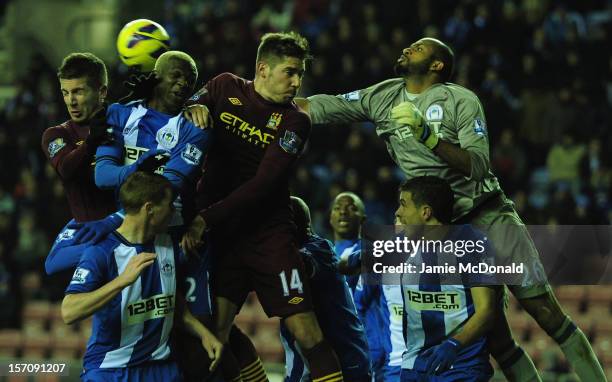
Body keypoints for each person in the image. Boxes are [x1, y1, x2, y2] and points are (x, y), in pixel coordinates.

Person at [295, 37, 606, 381]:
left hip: (487, 214)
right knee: (496, 338)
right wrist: (266, 102)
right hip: (443, 231)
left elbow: (478, 165)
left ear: (437, 65)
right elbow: (324, 106)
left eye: (418, 48)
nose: (407, 48)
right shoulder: (384, 95)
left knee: (545, 311)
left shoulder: (461, 100)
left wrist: (429, 137)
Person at [184, 31, 344, 381]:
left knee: (306, 331)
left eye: (300, 73)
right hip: (225, 236)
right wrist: (191, 106)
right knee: (216, 333)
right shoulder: (223, 87)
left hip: (267, 236)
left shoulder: (294, 121)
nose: (297, 81)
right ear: (263, 68)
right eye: (290, 72)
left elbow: (263, 185)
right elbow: (186, 108)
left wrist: (203, 219)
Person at [61, 171, 222, 381]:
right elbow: (69, 311)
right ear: (149, 209)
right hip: (111, 371)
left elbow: (170, 301)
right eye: (170, 205)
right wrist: (121, 281)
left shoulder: (169, 245)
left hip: (162, 370)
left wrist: (203, 333)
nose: (174, 212)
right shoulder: (101, 252)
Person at [395, 176, 497, 381]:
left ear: (425, 212)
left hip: (461, 366)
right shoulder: (401, 244)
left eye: (403, 205)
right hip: (413, 367)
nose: (398, 212)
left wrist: (454, 344)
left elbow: (486, 311)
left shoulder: (472, 244)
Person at [41, 52, 119, 275]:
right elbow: (66, 169)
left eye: (78, 91)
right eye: (65, 92)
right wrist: (91, 142)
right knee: (52, 265)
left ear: (101, 92)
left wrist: (194, 107)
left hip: (127, 227)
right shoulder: (56, 134)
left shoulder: (124, 121)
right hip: (89, 234)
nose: (70, 101)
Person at [281, 196, 370, 382]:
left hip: (343, 359)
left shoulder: (317, 250)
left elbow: (301, 264)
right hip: (317, 360)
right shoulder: (323, 249)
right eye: (337, 207)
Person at [330, 192, 406, 382]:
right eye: (337, 208)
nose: (343, 213)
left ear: (363, 219)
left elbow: (360, 304)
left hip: (368, 349)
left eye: (351, 208)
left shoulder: (371, 254)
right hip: (339, 347)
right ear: (329, 216)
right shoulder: (326, 252)